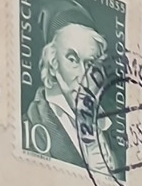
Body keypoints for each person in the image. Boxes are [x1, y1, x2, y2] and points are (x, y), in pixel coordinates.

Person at [22, 14, 108, 164]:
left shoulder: (107, 125)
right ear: (53, 64)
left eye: (90, 64)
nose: (82, 75)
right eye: (72, 60)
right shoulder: (32, 124)